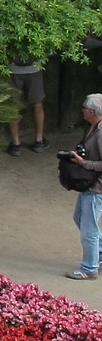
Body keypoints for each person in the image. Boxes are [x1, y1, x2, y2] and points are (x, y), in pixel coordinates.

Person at [66, 95, 102, 281]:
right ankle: (100, 254)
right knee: (79, 217)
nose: (82, 111)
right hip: (90, 185)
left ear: (92, 112)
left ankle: (89, 268)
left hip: (97, 187)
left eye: (84, 108)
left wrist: (84, 163)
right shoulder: (93, 127)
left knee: (89, 229)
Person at [7, 58, 47, 155]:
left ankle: (15, 144)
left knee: (13, 105)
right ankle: (39, 141)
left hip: (13, 69)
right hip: (34, 68)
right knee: (37, 103)